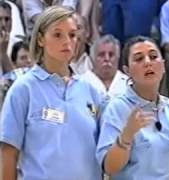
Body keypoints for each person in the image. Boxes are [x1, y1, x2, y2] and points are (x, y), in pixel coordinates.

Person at [0, 6, 103, 180]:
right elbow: (8, 154)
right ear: (40, 39)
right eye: (57, 34)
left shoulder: (92, 89)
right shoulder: (23, 89)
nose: (67, 41)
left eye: (72, 35)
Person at [96, 36, 169, 179]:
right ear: (127, 71)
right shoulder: (117, 107)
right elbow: (109, 167)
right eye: (139, 59)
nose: (148, 62)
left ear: (163, 65)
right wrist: (127, 135)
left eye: (153, 56)